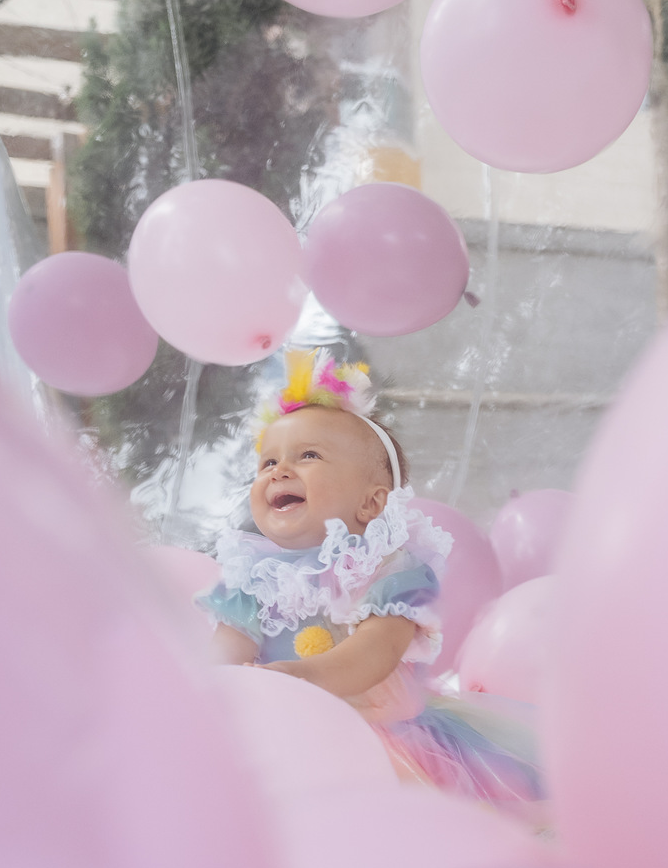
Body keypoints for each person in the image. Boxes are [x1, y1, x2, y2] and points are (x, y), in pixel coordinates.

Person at [197, 349, 544, 820]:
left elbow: (376, 651)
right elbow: (226, 652)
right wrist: (208, 694)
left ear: (371, 503)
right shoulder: (254, 575)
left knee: (397, 825)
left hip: (380, 738)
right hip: (285, 732)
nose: (279, 470)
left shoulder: (388, 569)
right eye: (268, 462)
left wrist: (304, 678)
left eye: (308, 456)